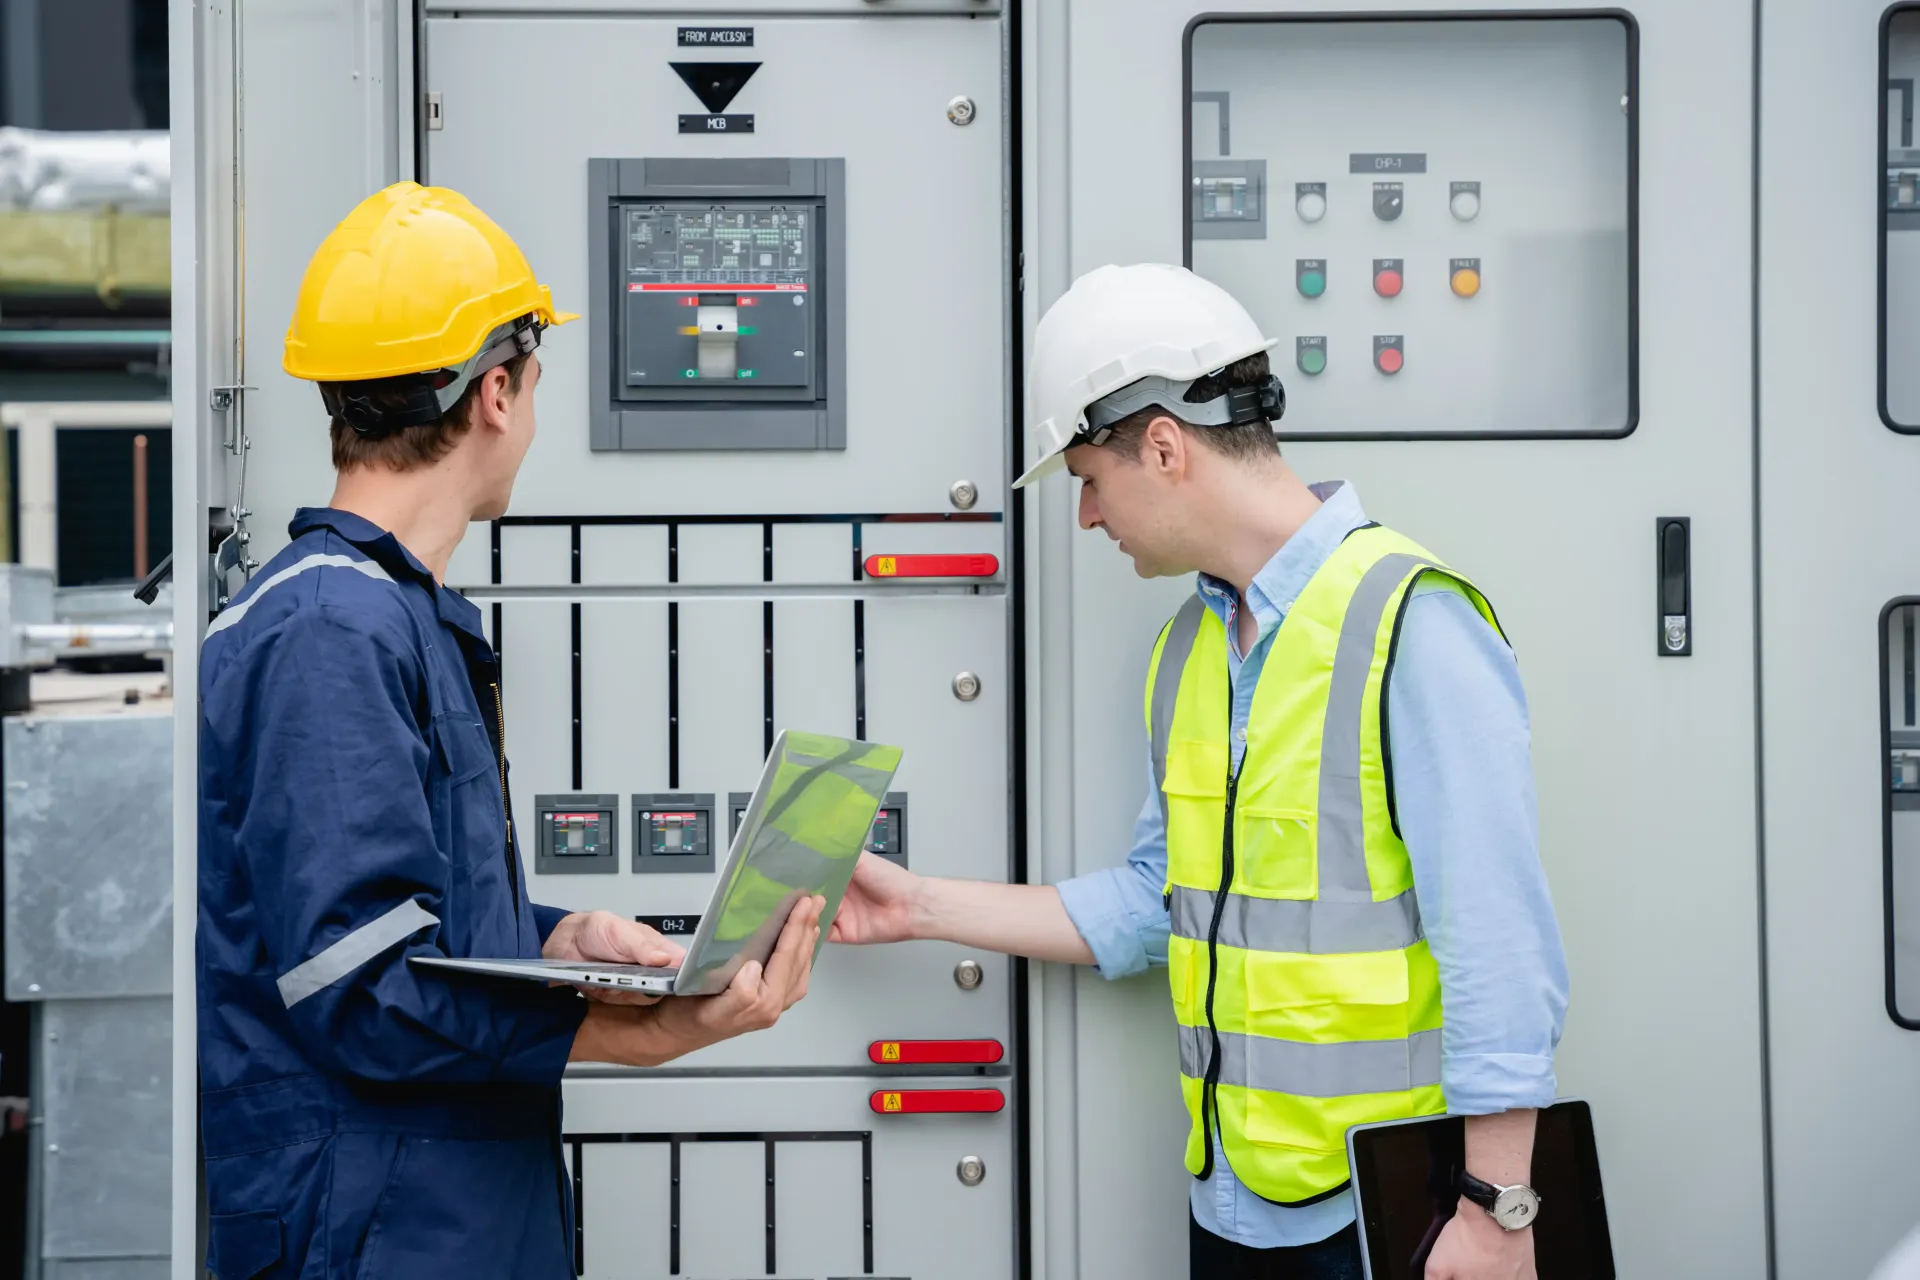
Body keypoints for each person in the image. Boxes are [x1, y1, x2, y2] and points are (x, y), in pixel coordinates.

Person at [831, 264, 1568, 1279]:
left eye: (1090, 478)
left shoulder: (1413, 621)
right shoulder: (1190, 651)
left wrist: (1498, 1210)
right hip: (1233, 1205)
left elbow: (1497, 935)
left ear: (1165, 447)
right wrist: (913, 903)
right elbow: (1154, 901)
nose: (1087, 516)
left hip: (1396, 1212)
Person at [196, 182, 824, 1280]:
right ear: (496, 390)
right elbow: (361, 983)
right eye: (533, 378)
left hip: (437, 1213)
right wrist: (643, 1031)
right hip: (378, 1226)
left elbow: (395, 915)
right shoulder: (328, 626)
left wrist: (550, 937)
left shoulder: (389, 611)